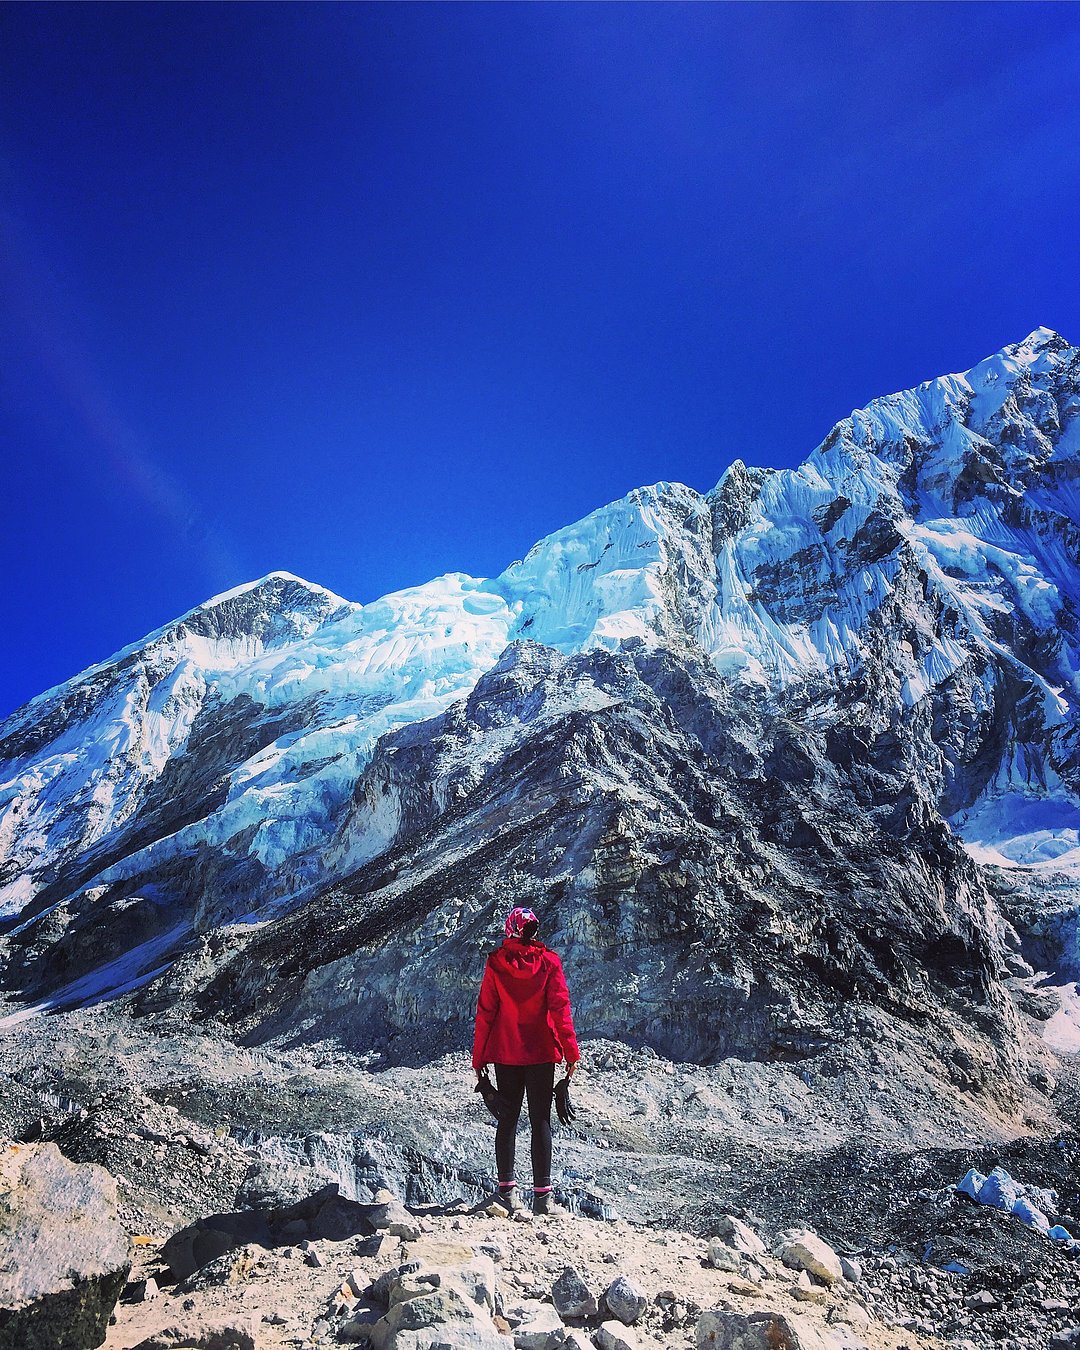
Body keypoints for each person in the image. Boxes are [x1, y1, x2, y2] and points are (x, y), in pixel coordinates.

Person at [472, 906, 580, 1216]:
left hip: (507, 1052)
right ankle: (542, 1199)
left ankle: (507, 1194)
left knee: (507, 1120)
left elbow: (486, 1013)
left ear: (510, 929)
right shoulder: (549, 963)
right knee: (540, 1121)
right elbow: (560, 1010)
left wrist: (479, 1059)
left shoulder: (496, 964)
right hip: (541, 1053)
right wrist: (571, 1053)